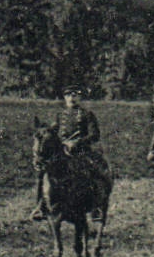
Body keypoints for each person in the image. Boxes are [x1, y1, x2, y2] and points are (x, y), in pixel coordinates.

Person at [32, 86, 110, 220]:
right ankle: (41, 206)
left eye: (75, 95)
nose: (72, 98)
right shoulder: (60, 115)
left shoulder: (87, 114)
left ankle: (96, 207)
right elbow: (53, 131)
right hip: (63, 151)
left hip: (82, 151)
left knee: (93, 171)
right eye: (68, 95)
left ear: (80, 97)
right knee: (44, 172)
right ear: (64, 98)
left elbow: (94, 134)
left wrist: (77, 142)